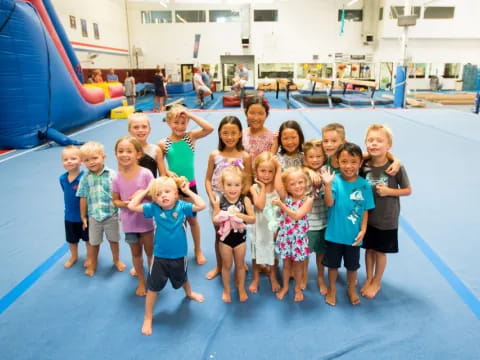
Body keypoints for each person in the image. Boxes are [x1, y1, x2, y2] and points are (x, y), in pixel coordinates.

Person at [128, 176, 206, 336]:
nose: (163, 195)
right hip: (160, 256)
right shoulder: (154, 209)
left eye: (167, 192)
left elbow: (202, 205)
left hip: (179, 255)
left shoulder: (182, 206)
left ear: (176, 194)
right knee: (153, 287)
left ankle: (189, 293)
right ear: (154, 198)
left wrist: (187, 191)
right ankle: (148, 317)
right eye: (158, 194)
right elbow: (132, 205)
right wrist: (145, 191)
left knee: (183, 276)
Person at [158, 104, 214, 265]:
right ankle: (178, 250)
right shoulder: (163, 143)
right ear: (169, 123)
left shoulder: (190, 138)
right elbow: (161, 168)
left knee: (192, 220)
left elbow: (209, 128)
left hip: (189, 187)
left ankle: (198, 250)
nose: (180, 126)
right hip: (172, 188)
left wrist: (190, 114)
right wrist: (168, 173)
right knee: (175, 222)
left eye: (183, 123)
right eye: (176, 123)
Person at [320, 142, 375, 306]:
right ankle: (332, 289)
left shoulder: (364, 185)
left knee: (352, 267)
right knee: (332, 266)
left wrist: (364, 229)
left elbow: (366, 209)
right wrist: (328, 185)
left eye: (353, 162)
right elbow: (329, 203)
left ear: (360, 163)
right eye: (344, 161)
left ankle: (351, 288)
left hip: (353, 235)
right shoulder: (334, 181)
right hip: (334, 234)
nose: (348, 166)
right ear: (337, 162)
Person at [360, 124, 411, 299]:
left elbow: (407, 190)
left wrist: (390, 191)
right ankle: (368, 277)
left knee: (380, 251)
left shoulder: (395, 167)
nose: (374, 144)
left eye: (379, 141)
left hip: (387, 216)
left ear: (388, 145)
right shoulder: (364, 164)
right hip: (368, 216)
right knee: (369, 249)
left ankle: (377, 280)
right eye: (370, 140)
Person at [205, 116, 252, 280]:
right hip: (219, 200)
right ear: (219, 134)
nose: (229, 137)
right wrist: (212, 199)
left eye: (234, 133)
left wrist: (241, 201)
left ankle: (240, 261)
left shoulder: (245, 156)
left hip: (237, 200)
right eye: (225, 132)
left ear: (240, 134)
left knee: (238, 232)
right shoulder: (214, 154)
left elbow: (248, 181)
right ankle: (220, 266)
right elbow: (207, 179)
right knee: (220, 235)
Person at [112, 136, 154, 296]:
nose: (124, 154)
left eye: (129, 151)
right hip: (129, 224)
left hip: (146, 222)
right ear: (116, 154)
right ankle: (141, 282)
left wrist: (142, 196)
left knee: (150, 252)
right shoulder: (116, 177)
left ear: (138, 154)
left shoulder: (146, 174)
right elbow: (115, 201)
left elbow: (154, 196)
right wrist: (127, 203)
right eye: (120, 151)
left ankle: (153, 278)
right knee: (136, 254)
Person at [76, 141, 126, 276]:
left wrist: (122, 211)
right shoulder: (85, 178)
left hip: (111, 215)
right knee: (94, 243)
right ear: (82, 162)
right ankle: (93, 263)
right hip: (94, 216)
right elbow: (83, 197)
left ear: (103, 157)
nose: (91, 162)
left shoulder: (112, 175)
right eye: (86, 160)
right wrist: (83, 216)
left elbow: (119, 194)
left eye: (94, 158)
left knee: (113, 240)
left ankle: (116, 260)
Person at [213, 166, 255, 303]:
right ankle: (226, 289)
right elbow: (214, 220)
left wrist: (239, 215)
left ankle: (241, 287)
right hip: (225, 241)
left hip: (240, 240)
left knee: (240, 265)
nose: (233, 188)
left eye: (237, 185)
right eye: (229, 185)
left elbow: (252, 219)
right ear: (222, 186)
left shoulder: (245, 200)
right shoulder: (220, 200)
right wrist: (223, 216)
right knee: (227, 266)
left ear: (242, 185)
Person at [272, 166, 313, 302]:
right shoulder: (286, 197)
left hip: (299, 240)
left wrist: (281, 205)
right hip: (285, 238)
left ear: (306, 182)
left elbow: (296, 215)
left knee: (298, 267)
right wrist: (277, 167)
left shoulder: (308, 200)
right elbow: (278, 185)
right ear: (287, 187)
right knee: (286, 266)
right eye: (293, 184)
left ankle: (297, 288)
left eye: (300, 182)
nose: (297, 186)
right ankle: (285, 287)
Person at [248, 151, 280, 293]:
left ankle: (273, 276)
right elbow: (260, 205)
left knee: (273, 254)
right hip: (259, 227)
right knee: (257, 254)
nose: (266, 175)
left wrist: (279, 169)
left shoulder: (278, 188)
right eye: (262, 171)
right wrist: (261, 187)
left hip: (274, 227)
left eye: (270, 171)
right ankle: (256, 277)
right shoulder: (254, 188)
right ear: (256, 171)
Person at [302, 140, 328, 295]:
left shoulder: (327, 171)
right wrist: (307, 170)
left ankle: (320, 277)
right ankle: (303, 276)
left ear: (324, 157)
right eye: (311, 157)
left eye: (319, 156)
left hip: (323, 220)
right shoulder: (302, 172)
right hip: (306, 222)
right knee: (305, 253)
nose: (315, 159)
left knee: (321, 253)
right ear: (305, 159)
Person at [59, 145, 90, 268]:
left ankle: (90, 256)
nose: (69, 161)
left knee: (88, 239)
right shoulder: (62, 178)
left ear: (81, 161)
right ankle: (74, 256)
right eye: (65, 159)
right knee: (71, 239)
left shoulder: (85, 178)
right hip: (69, 216)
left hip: (85, 216)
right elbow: (65, 191)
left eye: (73, 158)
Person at [242, 95, 278, 160]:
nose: (256, 118)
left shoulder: (272, 138)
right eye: (252, 113)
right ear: (246, 113)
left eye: (260, 113)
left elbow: (271, 164)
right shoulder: (240, 135)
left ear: (266, 115)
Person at [127, 113, 160, 177]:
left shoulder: (155, 150)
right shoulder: (126, 151)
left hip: (152, 186)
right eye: (136, 127)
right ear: (129, 130)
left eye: (144, 127)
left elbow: (163, 175)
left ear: (149, 129)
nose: (140, 130)